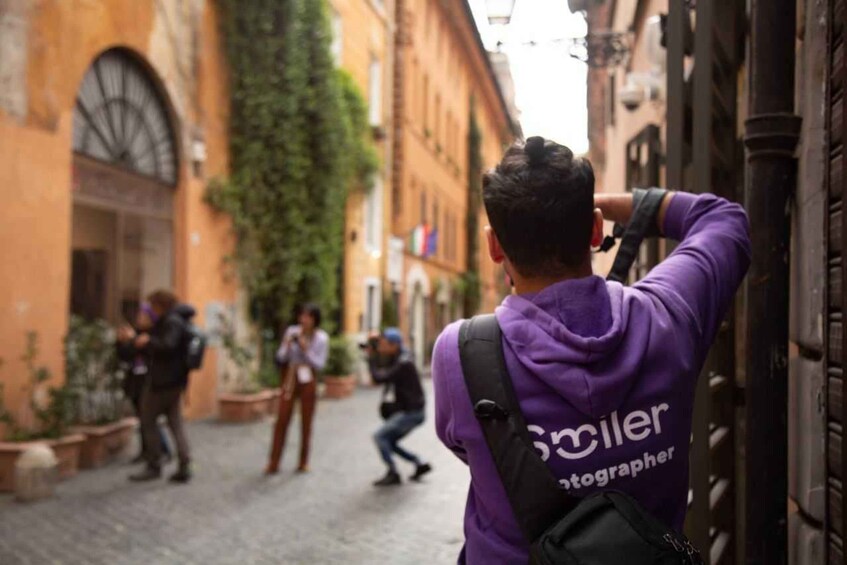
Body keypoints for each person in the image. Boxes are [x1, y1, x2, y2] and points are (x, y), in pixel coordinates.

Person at [432, 136, 751, 563]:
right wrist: (602, 205)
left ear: (495, 246)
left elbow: (471, 448)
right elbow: (723, 218)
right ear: (596, 229)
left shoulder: (461, 354)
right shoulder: (668, 317)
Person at [128, 290, 194, 483]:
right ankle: (184, 464)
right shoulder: (177, 320)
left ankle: (154, 464)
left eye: (152, 305)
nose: (150, 309)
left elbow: (168, 346)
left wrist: (149, 341)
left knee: (148, 420)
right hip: (174, 381)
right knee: (175, 422)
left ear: (160, 304)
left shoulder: (171, 322)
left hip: (162, 381)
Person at [266, 304, 328, 475]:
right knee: (282, 417)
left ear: (315, 320)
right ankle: (274, 462)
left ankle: (303, 461)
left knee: (307, 420)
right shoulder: (292, 331)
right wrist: (287, 345)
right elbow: (280, 357)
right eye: (302, 316)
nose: (304, 320)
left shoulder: (321, 338)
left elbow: (319, 364)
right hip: (291, 375)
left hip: (308, 376)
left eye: (308, 317)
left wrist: (305, 349)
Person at [368, 328, 432, 487]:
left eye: (383, 344)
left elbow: (379, 377)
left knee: (380, 436)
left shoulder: (403, 362)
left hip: (412, 413)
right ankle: (418, 462)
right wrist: (374, 346)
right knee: (388, 441)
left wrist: (370, 358)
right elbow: (383, 368)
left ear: (394, 345)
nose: (381, 347)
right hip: (411, 411)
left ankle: (393, 473)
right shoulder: (400, 357)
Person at [117, 305, 172, 464]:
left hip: (150, 381)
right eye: (139, 315)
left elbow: (153, 353)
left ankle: (163, 450)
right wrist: (121, 342)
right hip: (135, 380)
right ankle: (146, 450)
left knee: (149, 418)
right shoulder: (136, 333)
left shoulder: (155, 335)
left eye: (144, 315)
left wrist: (134, 339)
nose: (140, 318)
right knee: (142, 418)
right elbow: (125, 355)